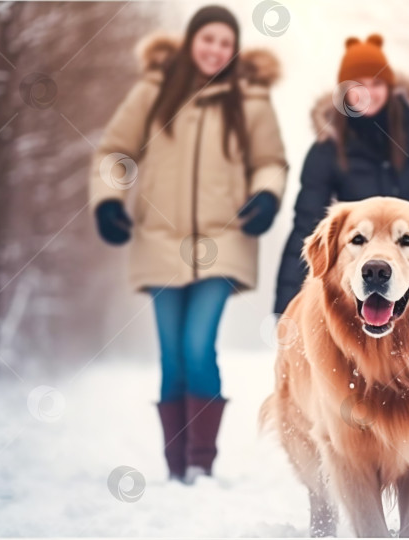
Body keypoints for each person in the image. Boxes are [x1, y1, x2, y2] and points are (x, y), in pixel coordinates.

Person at [88, 5, 287, 483]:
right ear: (191, 41)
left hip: (225, 240)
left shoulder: (251, 99)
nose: (215, 50)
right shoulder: (152, 93)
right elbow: (115, 151)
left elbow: (270, 160)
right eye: (208, 39)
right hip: (159, 243)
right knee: (172, 354)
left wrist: (265, 197)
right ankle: (176, 468)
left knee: (198, 345)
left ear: (234, 49)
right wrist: (108, 202)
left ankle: (200, 462)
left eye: (225, 42)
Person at [274, 34, 409, 315]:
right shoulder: (327, 149)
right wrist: (287, 306)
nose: (368, 93)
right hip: (361, 282)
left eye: (377, 83)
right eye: (358, 85)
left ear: (390, 88)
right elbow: (308, 226)